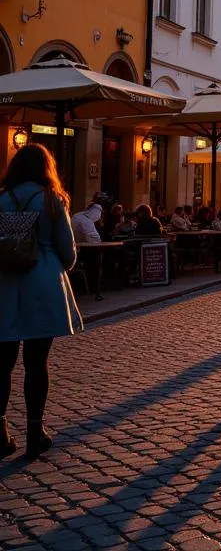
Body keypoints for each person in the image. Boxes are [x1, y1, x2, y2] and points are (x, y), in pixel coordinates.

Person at [0, 144, 83, 459]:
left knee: (1, 365)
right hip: (43, 285)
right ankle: (35, 432)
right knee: (37, 364)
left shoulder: (1, 199)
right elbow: (68, 252)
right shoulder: (52, 200)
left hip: (4, 285)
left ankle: (2, 432)